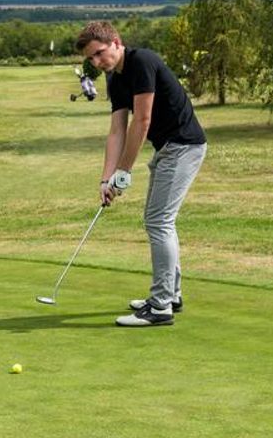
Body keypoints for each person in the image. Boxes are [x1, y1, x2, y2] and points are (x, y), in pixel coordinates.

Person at [74, 21, 207, 327]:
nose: (97, 62)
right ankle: (171, 295)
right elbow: (117, 130)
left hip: (184, 146)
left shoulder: (143, 61)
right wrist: (106, 179)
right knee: (158, 220)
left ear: (116, 42)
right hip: (168, 149)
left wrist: (124, 171)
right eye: (91, 58)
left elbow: (142, 120)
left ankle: (160, 307)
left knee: (159, 221)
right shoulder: (115, 79)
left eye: (99, 53)